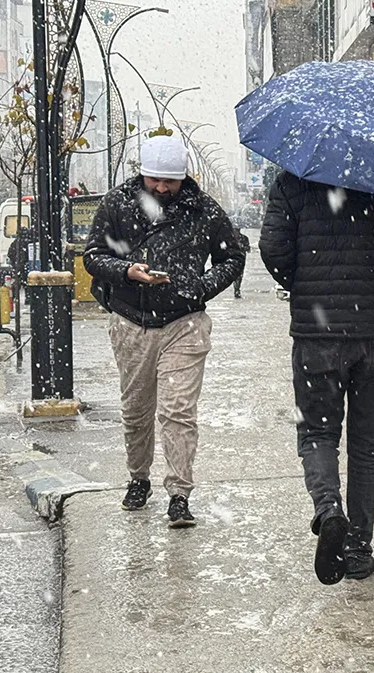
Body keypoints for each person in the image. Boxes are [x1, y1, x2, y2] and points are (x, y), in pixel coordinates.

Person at [260, 170, 374, 585]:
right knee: (367, 444)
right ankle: (358, 549)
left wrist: (305, 282)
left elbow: (273, 249)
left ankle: (328, 509)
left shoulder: (293, 180)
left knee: (318, 434)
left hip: (317, 330)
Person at [83, 134, 246, 528]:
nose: (161, 187)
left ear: (182, 178)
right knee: (137, 410)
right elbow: (92, 256)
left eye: (169, 181)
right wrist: (126, 271)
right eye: (154, 179)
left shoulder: (204, 210)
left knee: (178, 411)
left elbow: (233, 256)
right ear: (142, 174)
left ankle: (179, 494)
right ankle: (138, 478)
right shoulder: (118, 203)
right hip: (130, 321)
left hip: (184, 323)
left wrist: (201, 287)